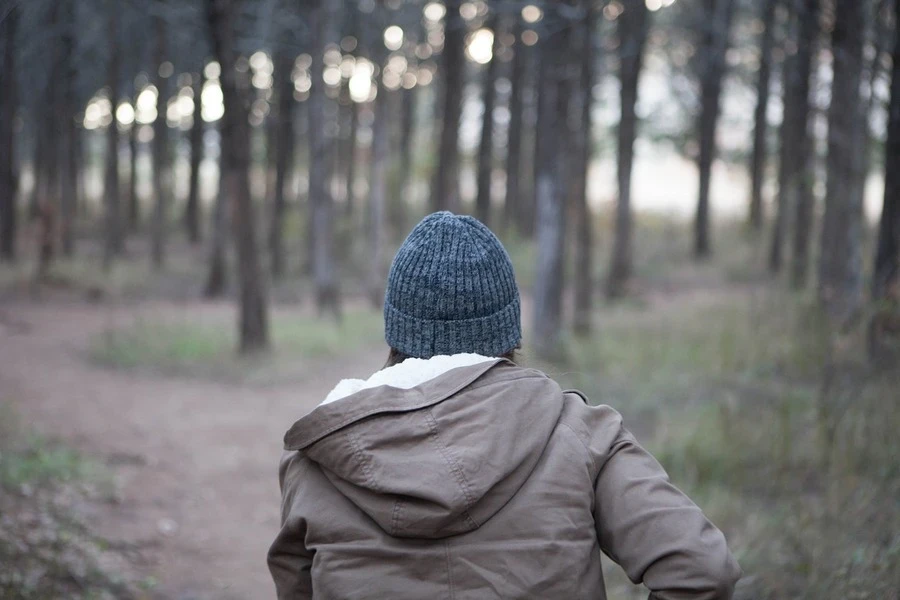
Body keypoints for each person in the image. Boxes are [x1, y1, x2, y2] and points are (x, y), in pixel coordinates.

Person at [268, 212, 741, 599]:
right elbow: (702, 570)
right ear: (507, 331)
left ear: (397, 331)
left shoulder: (320, 455)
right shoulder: (582, 436)